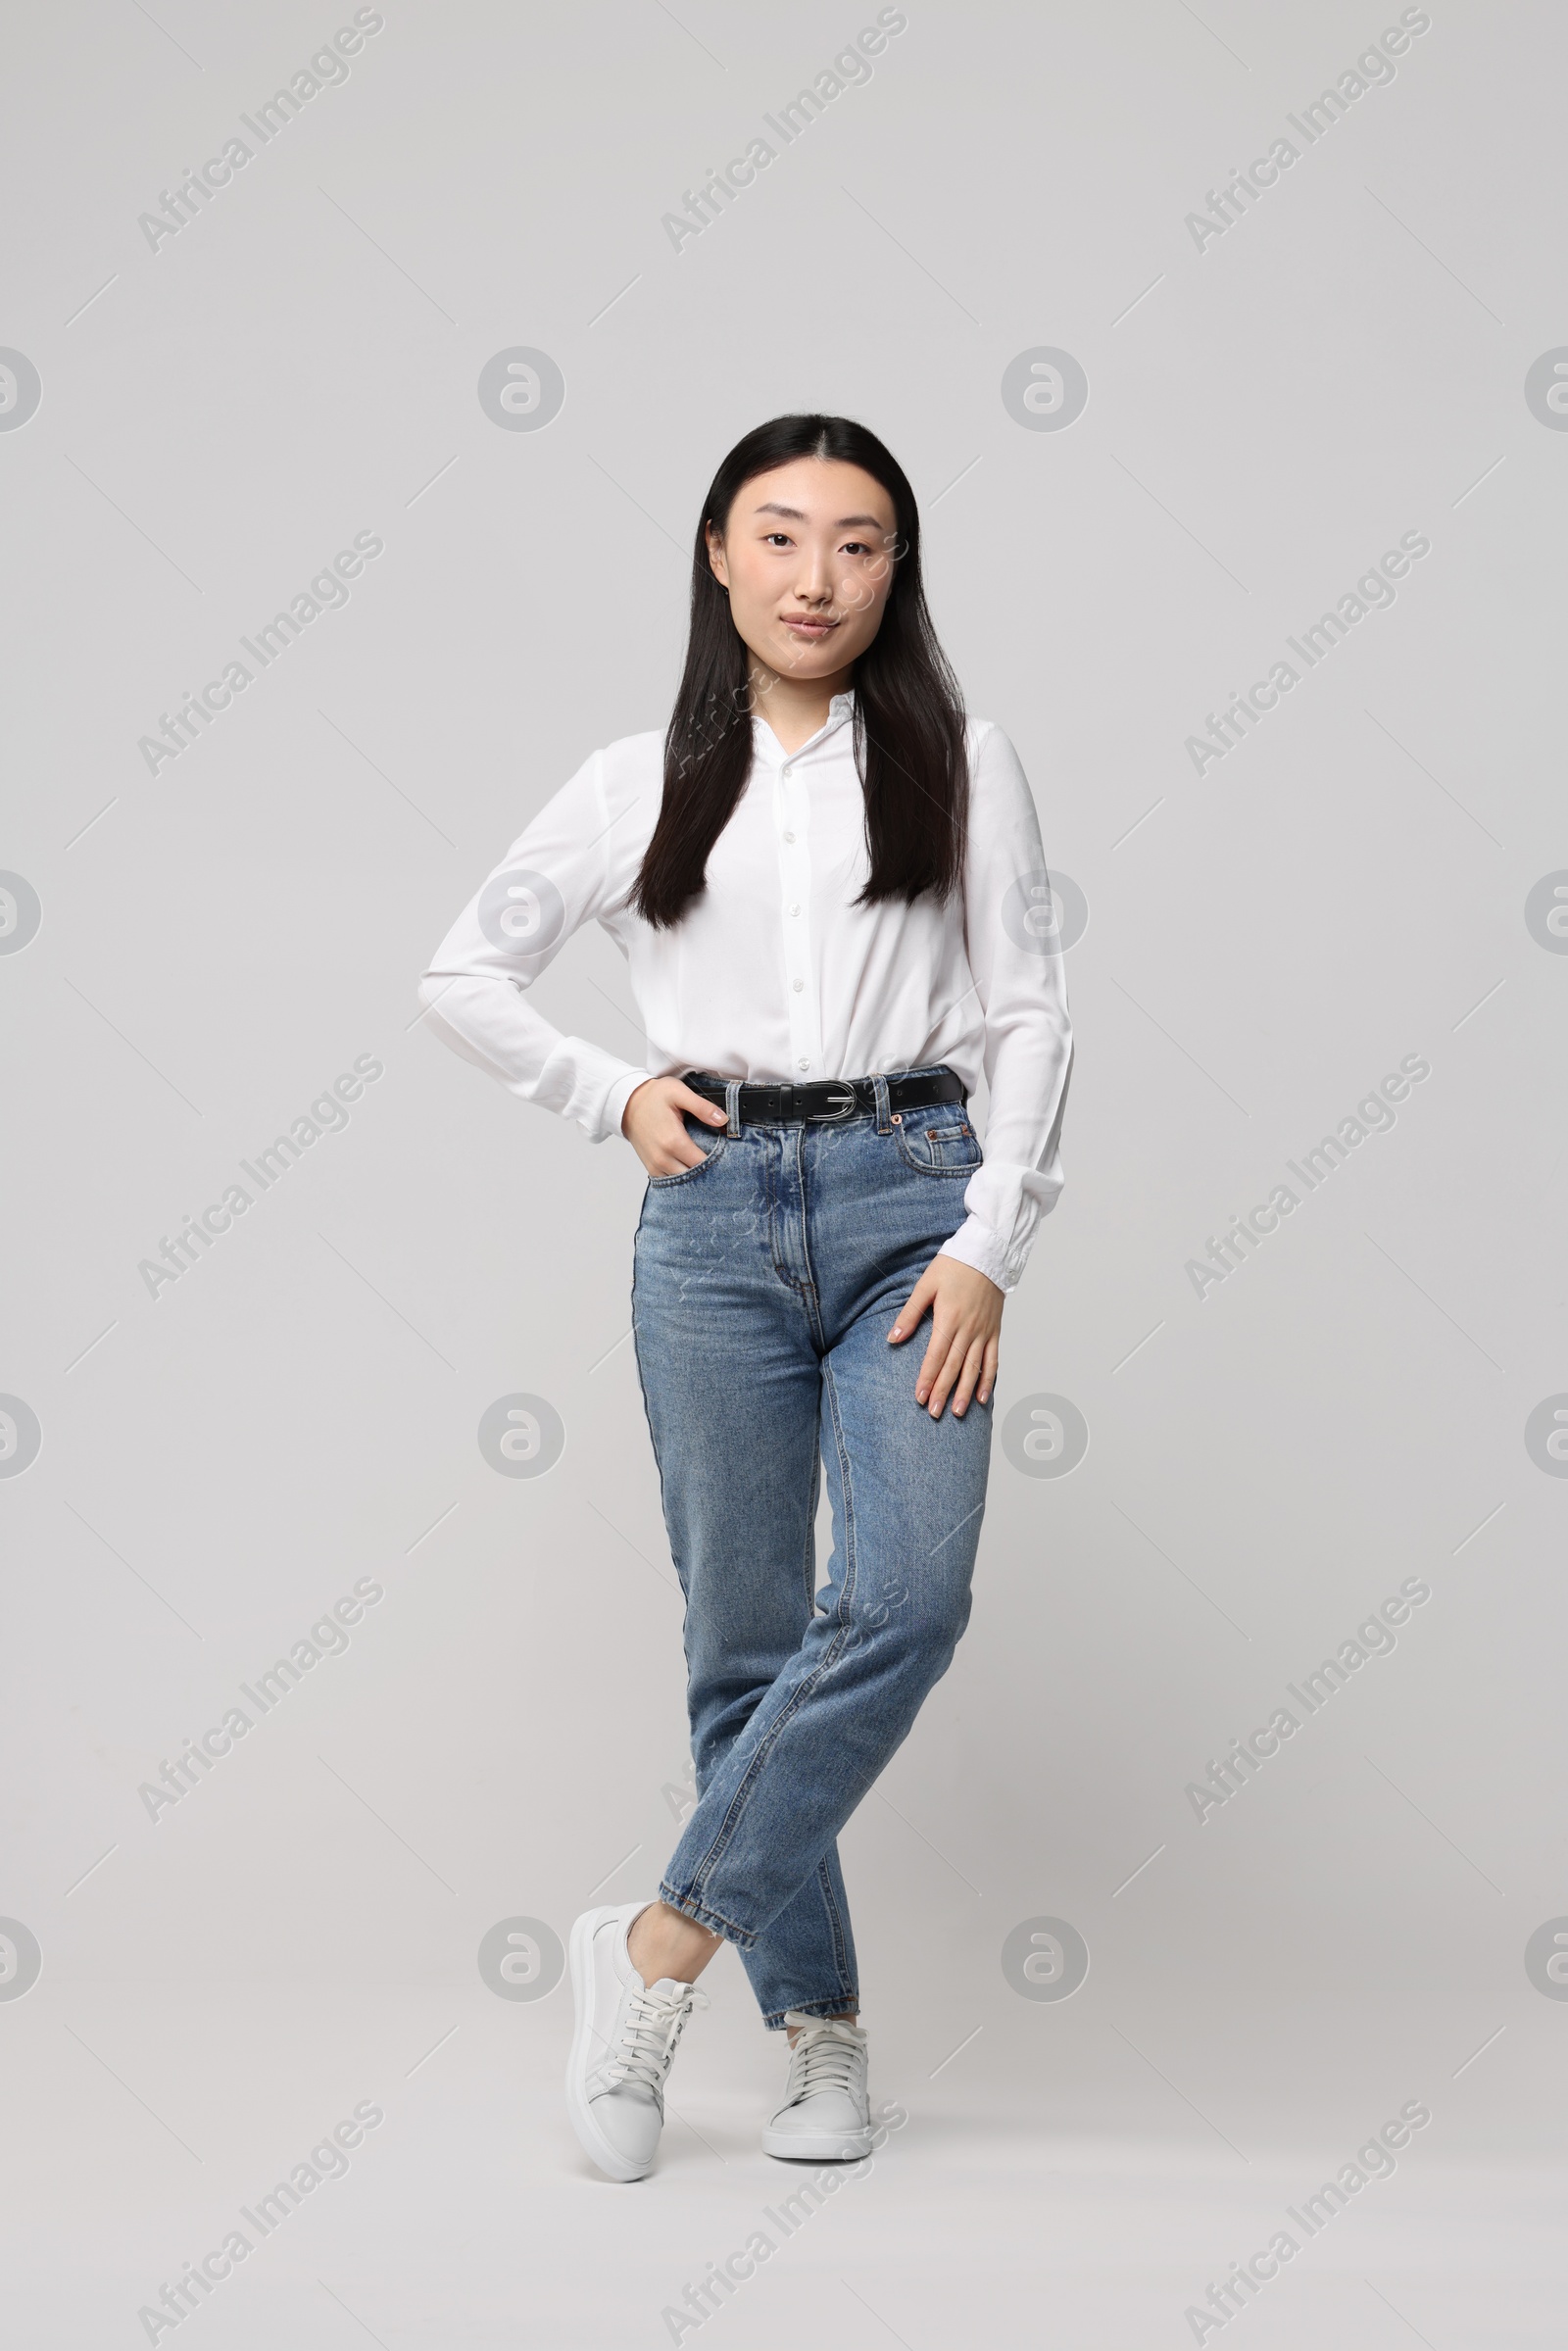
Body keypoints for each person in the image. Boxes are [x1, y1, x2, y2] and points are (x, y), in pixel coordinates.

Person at [418, 413, 1073, 2180]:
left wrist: (990, 1243)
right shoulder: (637, 778)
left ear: (896, 571)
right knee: (746, 1641)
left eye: (858, 544)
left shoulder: (964, 760)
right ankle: (820, 2038)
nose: (816, 576)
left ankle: (651, 1951)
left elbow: (1026, 1016)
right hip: (709, 1223)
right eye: (780, 537)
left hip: (909, 1209)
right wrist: (604, 1093)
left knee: (912, 1598)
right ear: (718, 554)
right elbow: (462, 970)